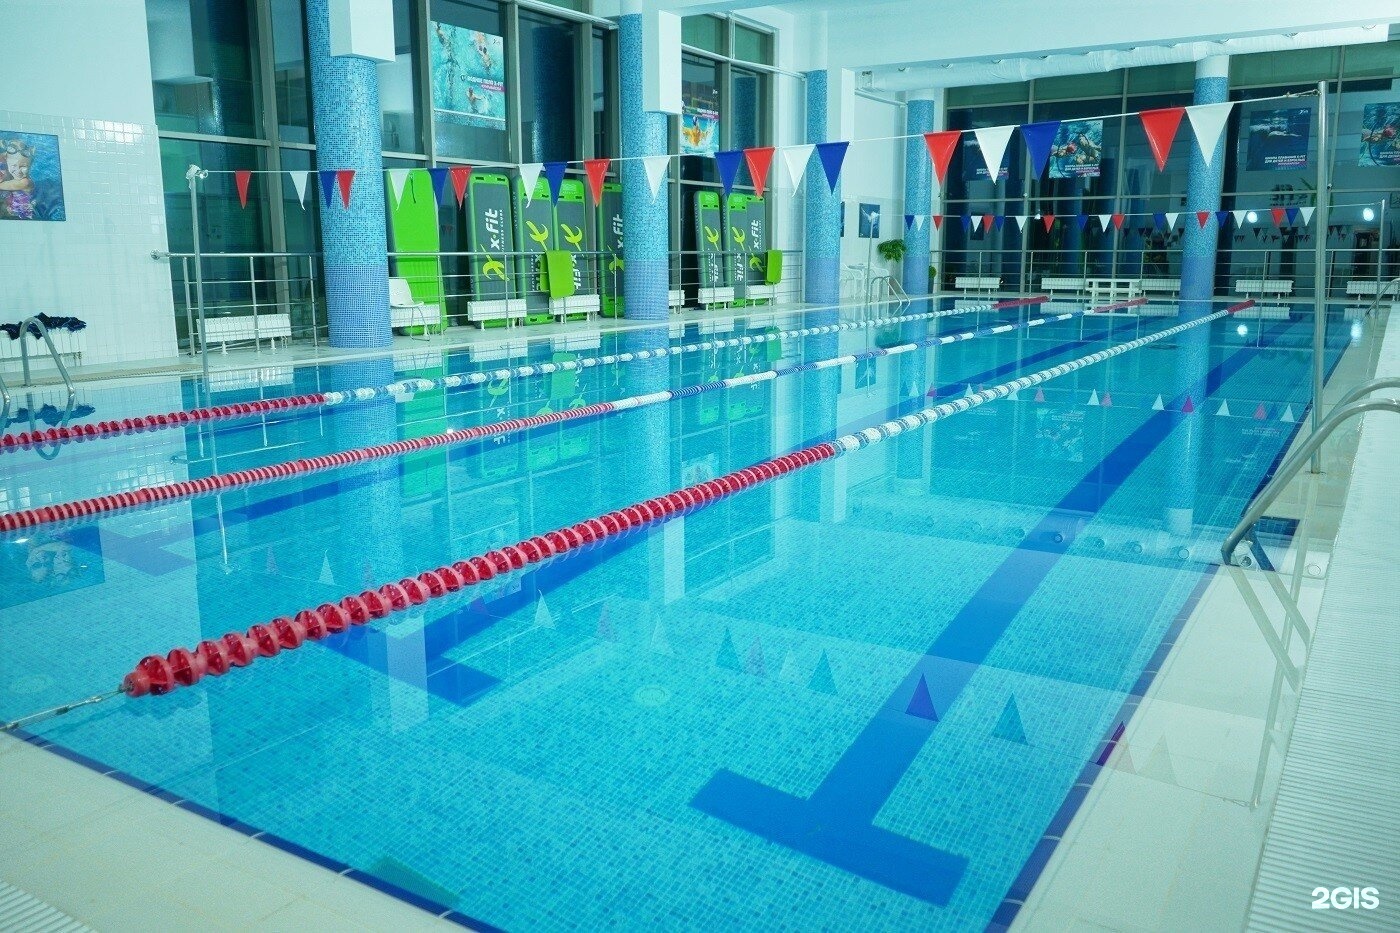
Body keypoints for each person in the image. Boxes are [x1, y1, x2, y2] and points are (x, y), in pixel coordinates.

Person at [0, 140, 36, 220]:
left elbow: (2, 186)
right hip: (12, 210)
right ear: (7, 163)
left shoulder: (25, 182)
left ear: (30, 165)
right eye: (13, 166)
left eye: (23, 166)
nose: (18, 171)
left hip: (23, 217)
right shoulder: (13, 176)